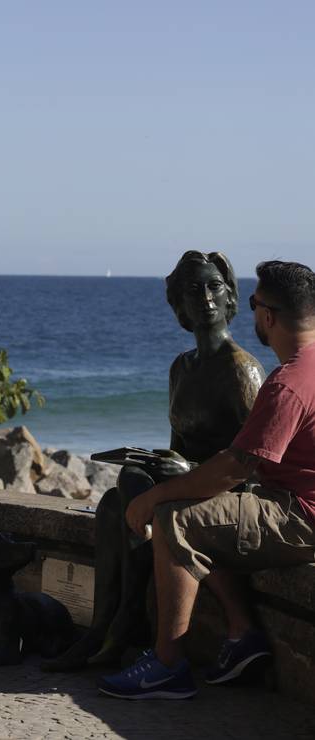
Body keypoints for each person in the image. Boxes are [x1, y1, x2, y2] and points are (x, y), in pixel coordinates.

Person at [98, 260, 315, 699]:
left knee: (175, 517)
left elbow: (235, 467)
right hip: (292, 503)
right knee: (201, 512)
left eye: (253, 303)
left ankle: (167, 664)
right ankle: (242, 636)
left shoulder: (288, 382)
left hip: (298, 514)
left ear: (267, 314)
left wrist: (155, 496)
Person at [44, 251, 265, 671]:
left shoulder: (241, 372)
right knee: (115, 500)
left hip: (226, 497)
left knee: (136, 499)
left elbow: (255, 466)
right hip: (185, 490)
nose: (205, 297)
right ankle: (103, 626)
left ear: (231, 295)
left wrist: (186, 474)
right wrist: (161, 464)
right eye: (192, 289)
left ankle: (125, 623)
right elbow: (176, 446)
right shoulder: (181, 368)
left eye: (214, 285)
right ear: (178, 303)